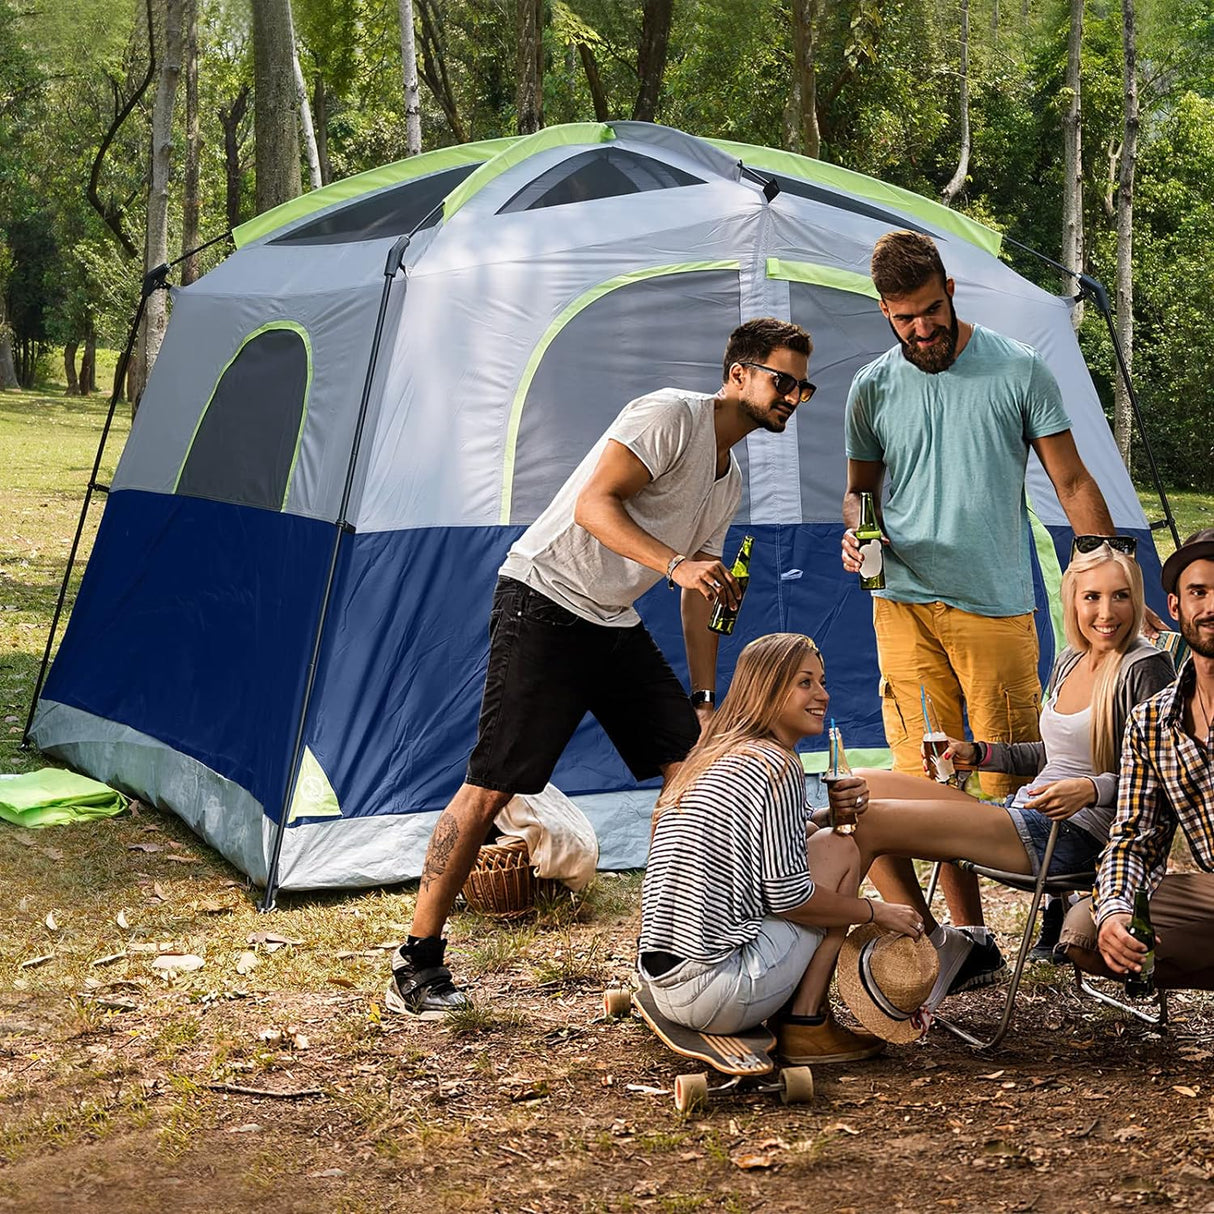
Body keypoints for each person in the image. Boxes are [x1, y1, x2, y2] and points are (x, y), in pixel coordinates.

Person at [387, 318, 815, 1015]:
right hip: (544, 599)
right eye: (781, 380)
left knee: (691, 770)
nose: (792, 397)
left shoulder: (726, 479)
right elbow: (593, 504)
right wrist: (675, 562)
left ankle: (676, 950)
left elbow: (694, 597)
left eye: (803, 387)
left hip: (612, 621)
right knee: (493, 787)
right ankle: (417, 960)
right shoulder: (668, 416)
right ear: (737, 373)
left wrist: (704, 699)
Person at [841, 229, 1120, 977]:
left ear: (950, 290)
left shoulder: (1017, 369)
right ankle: (969, 941)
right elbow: (860, 494)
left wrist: (1105, 578)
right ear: (885, 313)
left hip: (994, 604)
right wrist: (855, 535)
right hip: (900, 604)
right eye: (904, 319)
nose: (922, 330)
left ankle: (1059, 900)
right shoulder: (871, 387)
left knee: (1011, 778)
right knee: (927, 776)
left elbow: (1072, 483)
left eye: (930, 311)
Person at [843, 541, 1174, 1009]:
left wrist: (1090, 789)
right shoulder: (1071, 659)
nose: (1106, 612)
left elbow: (1164, 779)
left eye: (1120, 596)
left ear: (1137, 600)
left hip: (1077, 838)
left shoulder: (1145, 669)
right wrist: (977, 753)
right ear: (1073, 600)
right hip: (1027, 815)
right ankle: (950, 945)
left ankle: (929, 950)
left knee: (864, 819)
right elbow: (1052, 753)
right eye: (1092, 597)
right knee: (858, 785)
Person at [638, 633, 924, 1063]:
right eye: (805, 683)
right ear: (767, 690)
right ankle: (807, 1024)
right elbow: (789, 898)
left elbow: (764, 839)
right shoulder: (777, 765)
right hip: (720, 994)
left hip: (666, 983)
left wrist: (826, 816)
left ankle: (802, 1017)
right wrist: (876, 911)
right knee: (844, 850)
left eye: (822, 682)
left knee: (832, 840)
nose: (823, 694)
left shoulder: (715, 753)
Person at [1061, 529, 1214, 991]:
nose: (1211, 607)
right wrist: (1116, 910)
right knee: (1086, 930)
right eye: (1198, 592)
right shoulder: (1152, 721)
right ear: (1175, 607)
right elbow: (1134, 838)